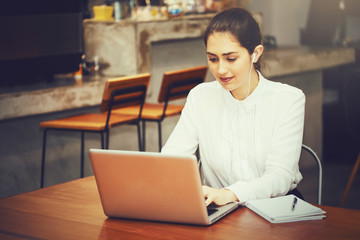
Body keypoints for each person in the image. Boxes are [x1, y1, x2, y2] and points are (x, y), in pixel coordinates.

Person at [161, 8, 305, 206]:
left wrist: (230, 194)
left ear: (255, 53)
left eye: (231, 58)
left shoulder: (288, 99)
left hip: (275, 209)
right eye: (213, 59)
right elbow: (172, 159)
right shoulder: (201, 97)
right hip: (218, 211)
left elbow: (280, 176)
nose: (220, 69)